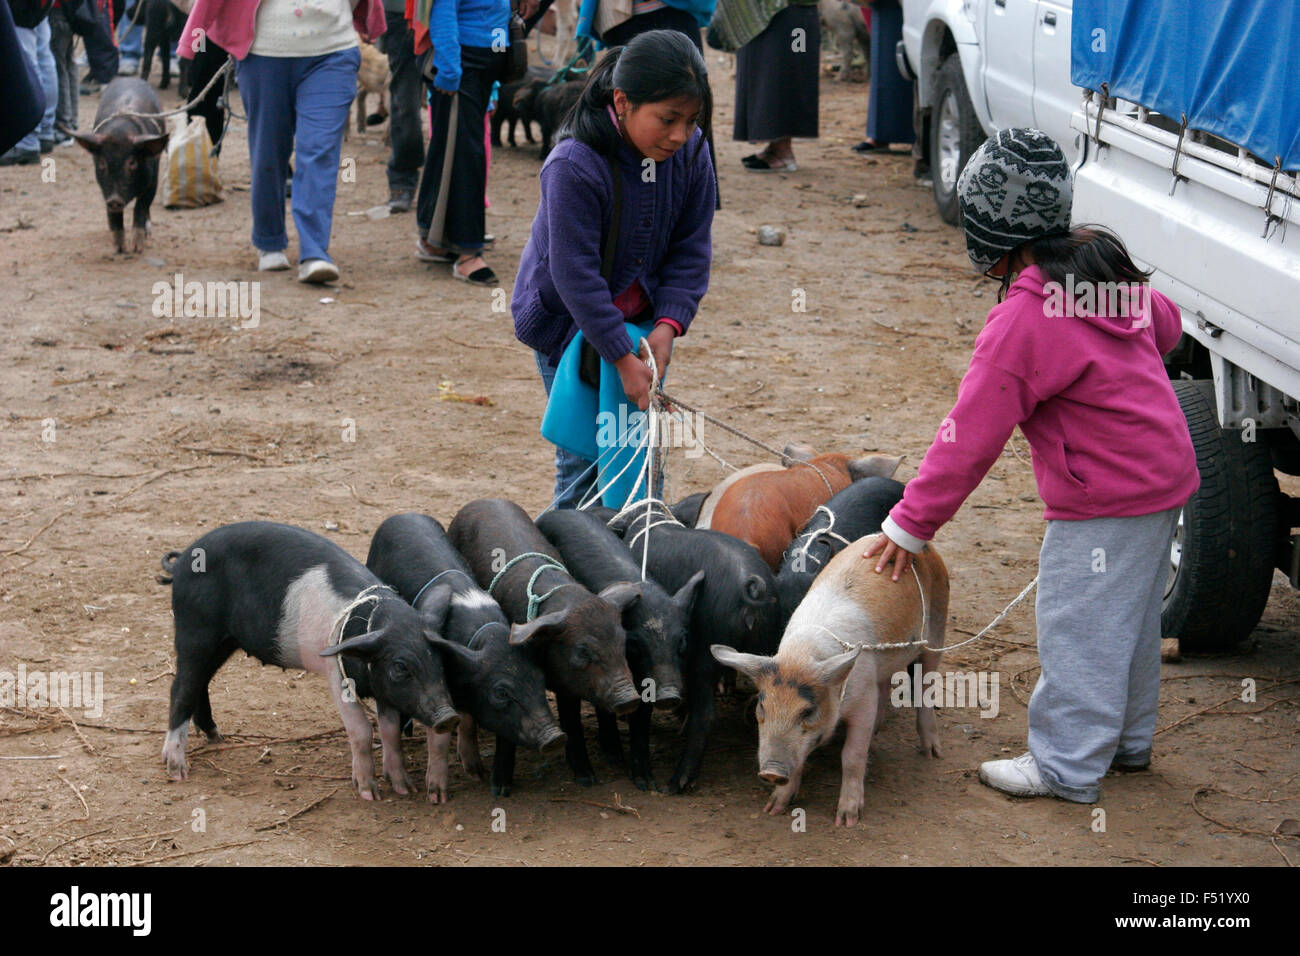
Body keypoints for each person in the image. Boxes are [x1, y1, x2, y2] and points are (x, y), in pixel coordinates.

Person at [863, 128, 1200, 804]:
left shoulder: (1023, 319)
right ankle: (1128, 743)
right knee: (1129, 620)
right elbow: (1167, 327)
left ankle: (1066, 766)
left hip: (1106, 498)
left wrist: (909, 526)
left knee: (1078, 622)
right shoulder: (1102, 272)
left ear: (988, 235)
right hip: (1166, 478)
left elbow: (967, 439)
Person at [512, 30, 715, 508]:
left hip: (643, 331)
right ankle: (570, 573)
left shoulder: (690, 154)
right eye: (667, 120)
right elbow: (574, 273)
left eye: (691, 120)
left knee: (637, 460)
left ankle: (639, 562)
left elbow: (692, 248)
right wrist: (619, 357)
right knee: (585, 465)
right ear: (622, 102)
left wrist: (667, 326)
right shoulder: (573, 165)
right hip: (568, 327)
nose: (680, 135)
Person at [179, 0, 387, 283]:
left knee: (319, 150)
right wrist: (193, 38)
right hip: (264, 54)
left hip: (333, 52)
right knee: (268, 153)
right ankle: (269, 241)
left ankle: (314, 252)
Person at [413, 0, 521, 286]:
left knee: (449, 151)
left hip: (481, 67)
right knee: (466, 157)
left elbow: (498, 12)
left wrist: (498, 67)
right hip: (462, 66)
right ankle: (468, 253)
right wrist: (449, 70)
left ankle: (433, 239)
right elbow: (443, 11)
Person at [715, 0, 819, 172]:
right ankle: (775, 146)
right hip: (765, 13)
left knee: (784, 73)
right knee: (764, 74)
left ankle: (783, 152)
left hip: (789, 11)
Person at [850, 0, 911, 154]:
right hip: (883, 9)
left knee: (911, 68)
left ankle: (919, 140)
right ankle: (879, 135)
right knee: (883, 67)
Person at [2, 0, 58, 166]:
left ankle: (28, 142)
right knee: (42, 54)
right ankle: (45, 131)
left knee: (26, 59)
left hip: (22, 7)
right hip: (38, 6)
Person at [379, 0, 423, 211]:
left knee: (456, 104)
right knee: (406, 105)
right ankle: (402, 180)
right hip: (402, 15)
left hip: (454, 13)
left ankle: (453, 184)